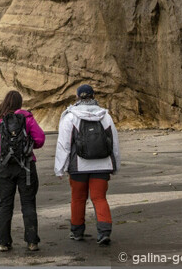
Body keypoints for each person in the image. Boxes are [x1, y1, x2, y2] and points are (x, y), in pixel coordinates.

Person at [54, 84, 121, 246]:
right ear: (93, 96)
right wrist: (115, 165)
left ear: (78, 97)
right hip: (102, 164)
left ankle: (77, 231)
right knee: (99, 198)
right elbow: (114, 144)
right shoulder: (105, 116)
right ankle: (104, 232)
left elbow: (64, 144)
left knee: (78, 198)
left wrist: (60, 168)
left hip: (78, 166)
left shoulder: (70, 116)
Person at [0, 90, 45, 253]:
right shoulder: (27, 118)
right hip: (26, 166)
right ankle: (32, 241)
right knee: (28, 203)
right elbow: (40, 139)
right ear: (20, 103)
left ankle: (3, 242)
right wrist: (28, 146)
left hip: (5, 166)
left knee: (5, 204)